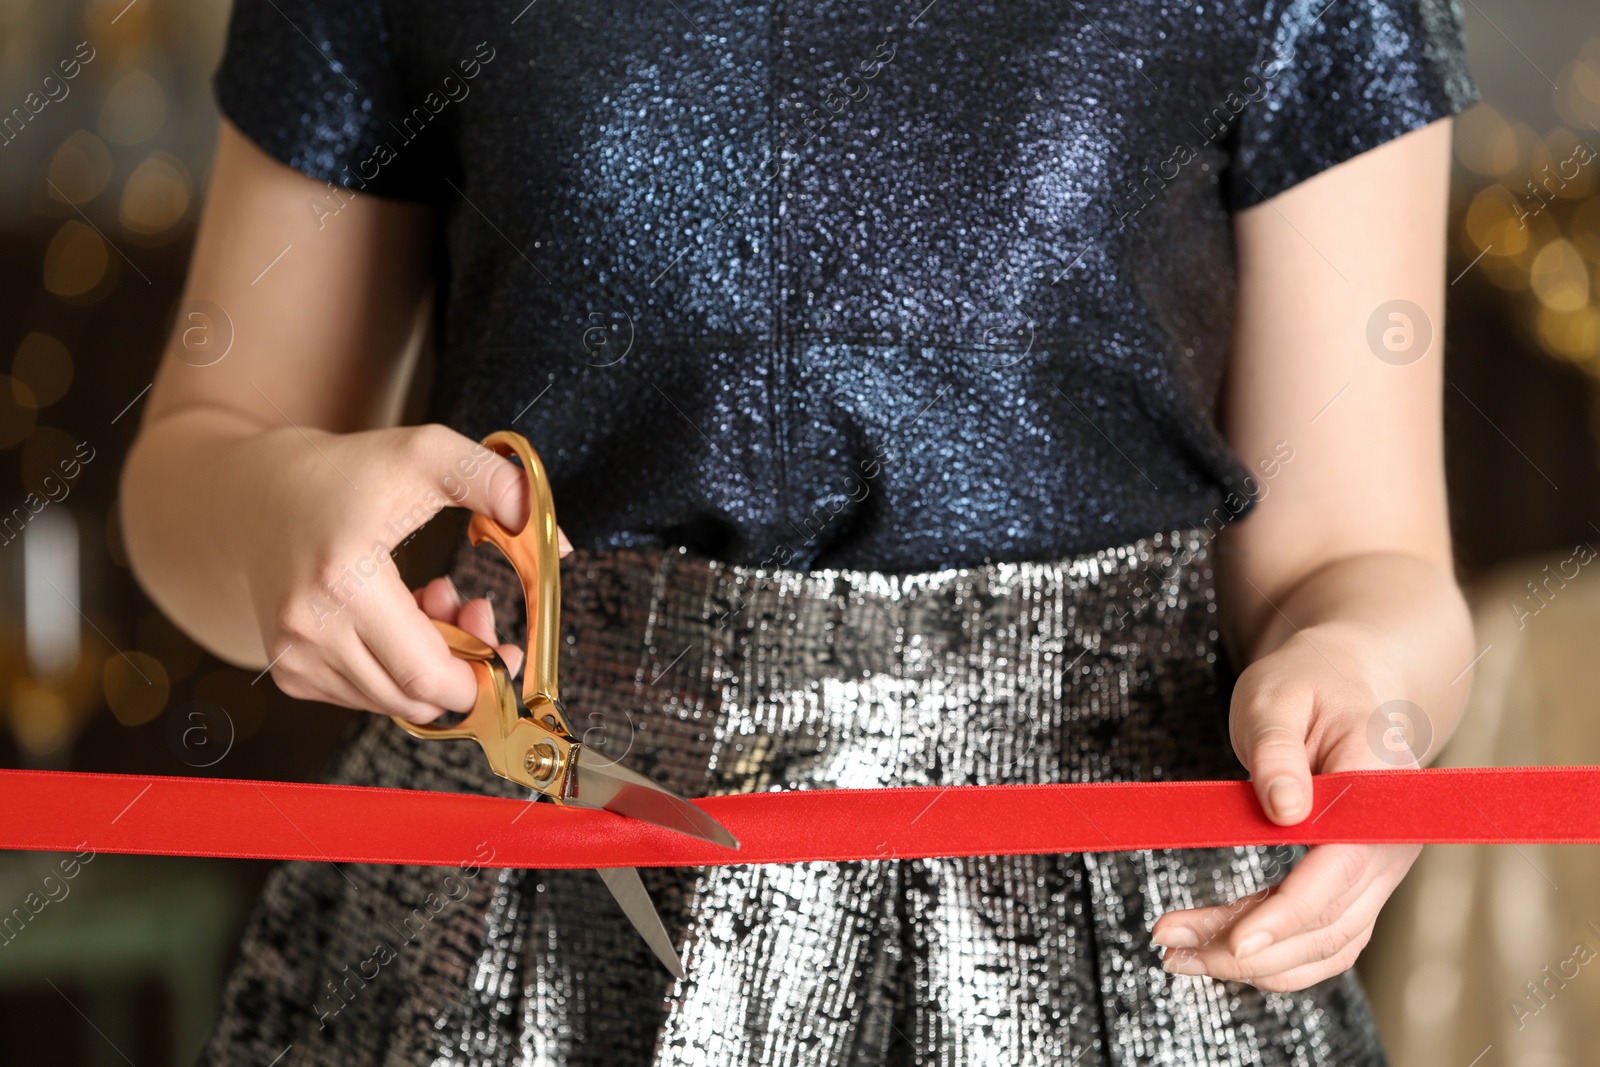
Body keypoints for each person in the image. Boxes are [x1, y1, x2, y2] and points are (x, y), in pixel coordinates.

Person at [119, 0, 1479, 1063]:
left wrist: (1370, 695)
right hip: (529, 914)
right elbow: (199, 460)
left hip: (1124, 950)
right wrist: (273, 531)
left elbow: (1369, 567)